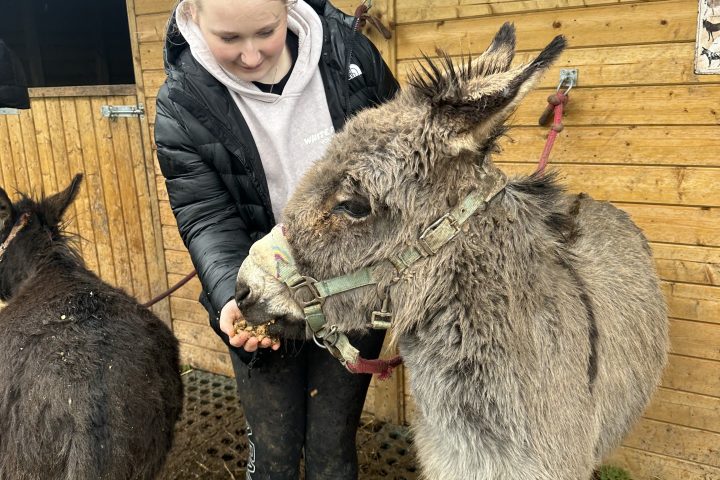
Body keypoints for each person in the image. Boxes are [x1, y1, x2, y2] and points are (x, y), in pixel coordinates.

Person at [154, 0, 399, 478]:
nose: (250, 57)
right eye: (228, 39)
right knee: (274, 454)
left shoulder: (351, 55)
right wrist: (228, 294)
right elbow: (206, 214)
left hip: (351, 292)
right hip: (260, 294)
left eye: (265, 32)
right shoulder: (182, 100)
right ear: (193, 16)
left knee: (332, 448)